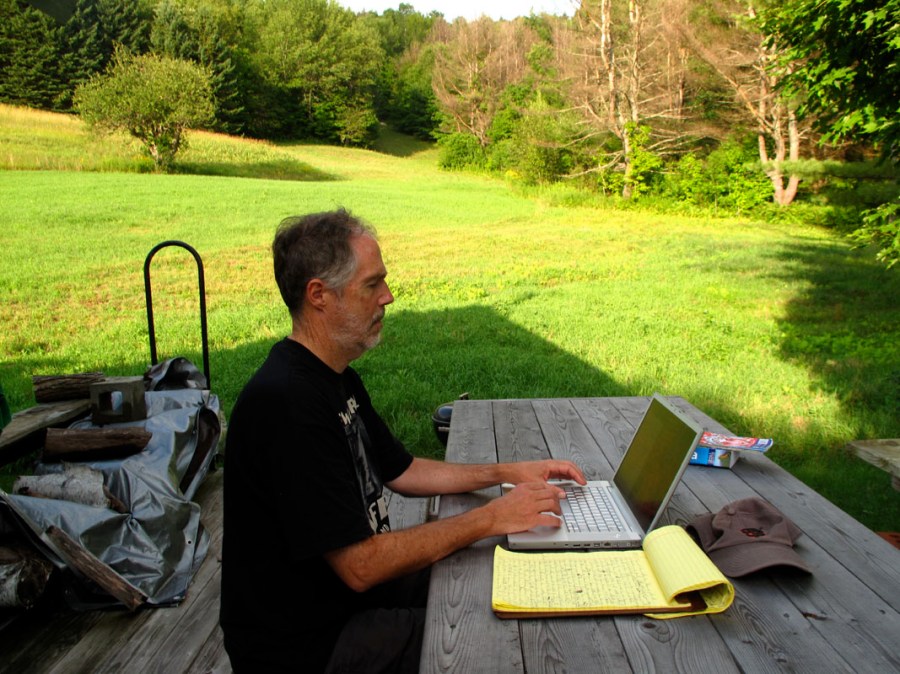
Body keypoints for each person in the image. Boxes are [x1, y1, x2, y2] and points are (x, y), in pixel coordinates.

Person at [220, 208, 585, 673]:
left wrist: (506, 474)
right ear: (319, 296)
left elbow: (402, 470)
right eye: (372, 285)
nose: (388, 297)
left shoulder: (333, 378)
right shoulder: (287, 403)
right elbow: (360, 567)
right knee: (489, 641)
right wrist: (490, 516)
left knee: (500, 571)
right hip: (308, 646)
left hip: (346, 604)